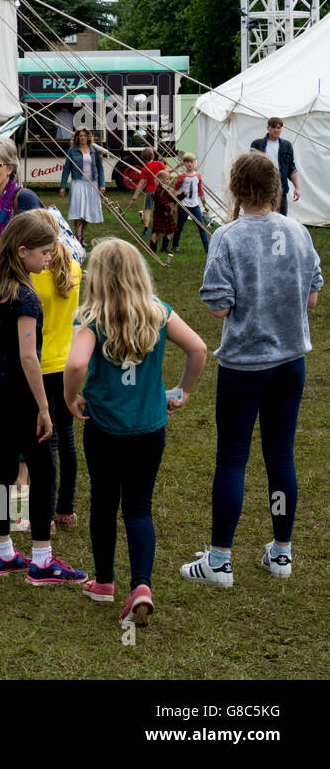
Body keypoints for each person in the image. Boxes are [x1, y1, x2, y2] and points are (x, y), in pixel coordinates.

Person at [181, 152, 323, 586]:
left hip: (245, 367)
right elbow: (312, 297)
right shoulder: (298, 232)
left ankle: (220, 560)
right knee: (280, 457)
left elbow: (219, 306)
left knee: (233, 458)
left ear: (237, 189)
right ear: (276, 187)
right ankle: (281, 552)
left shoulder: (228, 236)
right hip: (289, 363)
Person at [65, 239, 207, 626]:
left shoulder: (92, 317)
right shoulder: (158, 313)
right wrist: (184, 390)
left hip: (105, 428)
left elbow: (76, 363)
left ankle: (105, 582)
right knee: (139, 507)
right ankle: (141, 585)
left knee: (104, 502)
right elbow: (198, 348)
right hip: (149, 428)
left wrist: (70, 396)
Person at [0, 210, 87, 585]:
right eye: (44, 252)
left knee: (4, 469)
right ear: (23, 250)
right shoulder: (26, 297)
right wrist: (44, 406)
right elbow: (29, 356)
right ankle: (42, 559)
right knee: (43, 469)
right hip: (21, 392)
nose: (48, 258)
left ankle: (2, 552)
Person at [34, 214, 81, 531]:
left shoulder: (33, 273)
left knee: (45, 440)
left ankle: (46, 512)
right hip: (68, 361)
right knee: (66, 438)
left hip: (41, 363)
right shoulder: (74, 268)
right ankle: (65, 508)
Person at [58, 128, 105, 246]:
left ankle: (82, 237)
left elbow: (100, 168)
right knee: (78, 211)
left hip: (91, 184)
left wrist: (102, 184)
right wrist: (62, 186)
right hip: (78, 183)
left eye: (84, 136)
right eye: (80, 136)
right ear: (77, 138)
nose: (82, 138)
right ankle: (78, 238)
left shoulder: (94, 151)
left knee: (88, 212)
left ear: (88, 137)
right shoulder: (72, 151)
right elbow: (66, 168)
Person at [251, 117, 300, 216]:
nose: (276, 130)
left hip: (281, 187)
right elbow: (251, 167)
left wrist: (297, 187)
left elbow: (292, 168)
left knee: (281, 217)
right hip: (262, 187)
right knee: (262, 216)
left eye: (279, 128)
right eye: (273, 127)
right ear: (268, 128)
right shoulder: (257, 144)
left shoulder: (287, 145)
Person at [172, 153, 211, 253]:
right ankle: (175, 246)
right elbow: (175, 190)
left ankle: (207, 247)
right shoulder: (181, 176)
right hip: (183, 205)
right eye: (187, 162)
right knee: (179, 226)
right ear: (184, 163)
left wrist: (205, 204)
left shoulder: (198, 176)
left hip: (195, 205)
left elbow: (200, 191)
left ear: (194, 163)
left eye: (191, 162)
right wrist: (175, 205)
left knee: (201, 226)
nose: (189, 164)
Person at [128, 148, 166, 234]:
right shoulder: (159, 164)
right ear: (153, 155)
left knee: (148, 210)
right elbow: (166, 173)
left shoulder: (144, 169)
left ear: (143, 158)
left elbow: (141, 182)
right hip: (160, 191)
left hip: (150, 192)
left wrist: (135, 195)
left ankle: (146, 229)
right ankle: (162, 226)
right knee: (161, 209)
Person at [149, 169, 178, 254]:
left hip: (165, 213)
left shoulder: (165, 189)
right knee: (156, 232)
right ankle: (153, 249)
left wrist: (178, 198)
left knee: (171, 230)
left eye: (169, 179)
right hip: (160, 213)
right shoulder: (158, 190)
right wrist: (168, 209)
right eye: (167, 179)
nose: (169, 181)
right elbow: (162, 201)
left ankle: (164, 247)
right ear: (161, 180)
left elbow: (169, 198)